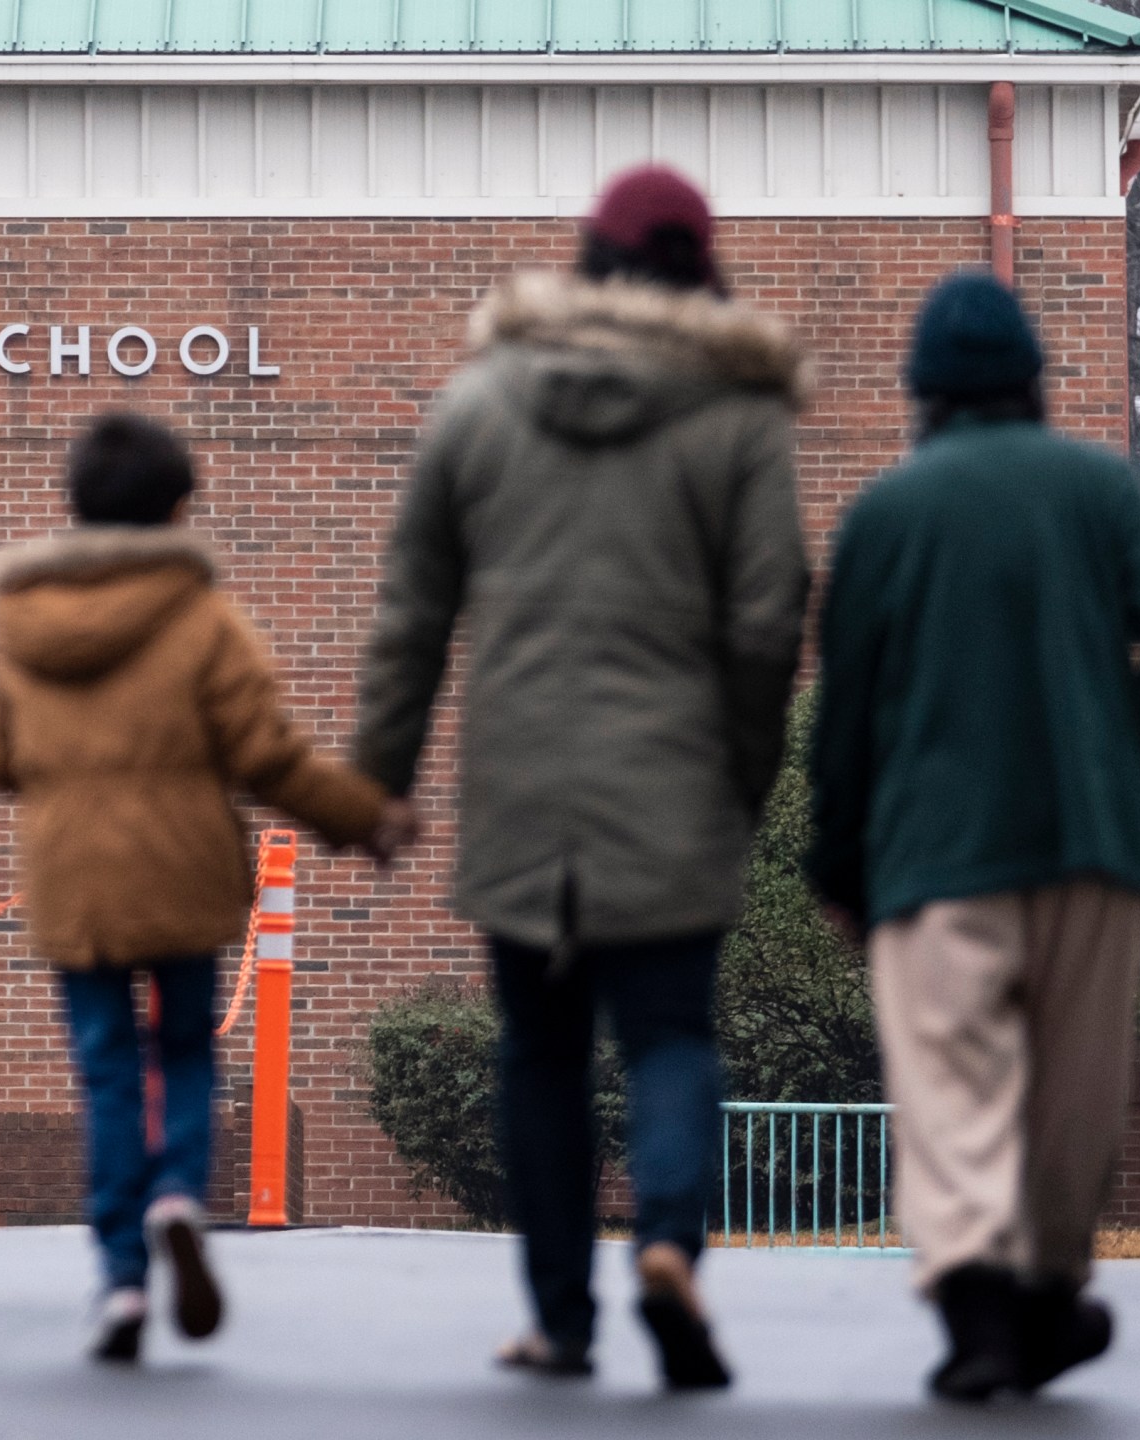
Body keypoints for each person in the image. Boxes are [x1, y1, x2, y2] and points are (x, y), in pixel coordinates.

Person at [351, 165, 810, 1390]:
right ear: (698, 275)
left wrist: (379, 783)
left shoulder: (482, 401)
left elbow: (411, 612)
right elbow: (771, 621)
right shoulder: (737, 416)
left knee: (539, 1052)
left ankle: (560, 1319)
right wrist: (746, 773)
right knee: (667, 1033)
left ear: (586, 264)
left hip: (523, 794)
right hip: (674, 787)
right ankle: (665, 1240)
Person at [0, 413, 389, 1364]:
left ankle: (120, 1280)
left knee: (108, 1066)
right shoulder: (203, 618)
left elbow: (8, 753)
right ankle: (177, 1197)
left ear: (73, 505)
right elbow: (265, 754)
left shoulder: (26, 621)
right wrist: (360, 818)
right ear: (179, 506)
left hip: (74, 879)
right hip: (184, 870)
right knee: (187, 1049)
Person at [806, 272, 1140, 1403]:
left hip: (937, 860)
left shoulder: (887, 515)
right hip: (1095, 847)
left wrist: (836, 862)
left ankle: (980, 1306)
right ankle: (1046, 1291)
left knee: (951, 1087)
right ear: (1034, 381)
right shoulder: (1099, 490)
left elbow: (844, 717)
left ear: (922, 394)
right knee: (1072, 1093)